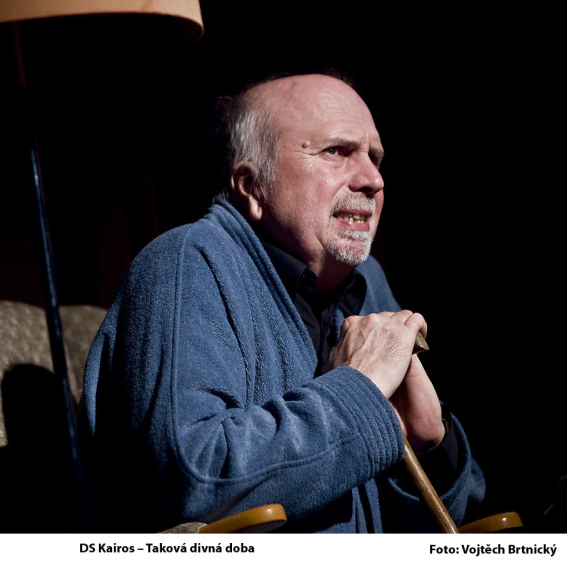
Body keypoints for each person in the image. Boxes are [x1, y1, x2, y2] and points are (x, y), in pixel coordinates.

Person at [80, 73, 485, 532]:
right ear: (251, 185)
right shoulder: (186, 261)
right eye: (336, 151)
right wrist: (359, 389)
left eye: (375, 158)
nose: (373, 180)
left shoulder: (365, 282)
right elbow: (192, 479)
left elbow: (463, 500)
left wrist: (434, 445)